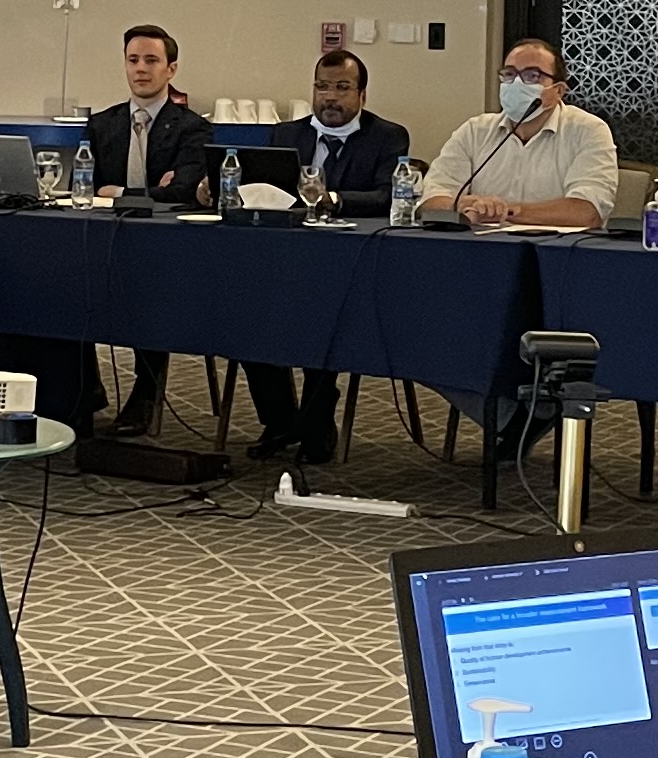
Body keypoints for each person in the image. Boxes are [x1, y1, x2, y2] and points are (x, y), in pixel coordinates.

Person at [245, 47, 411, 468]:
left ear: (362, 95)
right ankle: (280, 421)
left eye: (342, 88)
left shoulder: (387, 136)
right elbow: (267, 193)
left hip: (350, 269)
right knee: (244, 321)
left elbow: (388, 195)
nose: (330, 98)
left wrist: (334, 199)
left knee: (324, 326)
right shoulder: (286, 136)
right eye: (322, 87)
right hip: (284, 265)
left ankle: (317, 426)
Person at [80, 26, 223, 432]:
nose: (140, 69)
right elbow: (87, 186)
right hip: (107, 236)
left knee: (152, 292)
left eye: (151, 61)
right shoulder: (102, 124)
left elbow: (182, 193)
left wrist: (121, 191)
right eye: (133, 60)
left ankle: (146, 394)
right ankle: (84, 391)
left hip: (167, 245)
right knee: (68, 286)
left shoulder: (192, 127)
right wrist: (148, 190)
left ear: (170, 69)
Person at [421, 42, 619, 229]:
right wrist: (461, 205)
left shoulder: (588, 131)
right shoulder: (474, 131)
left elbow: (587, 212)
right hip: (478, 250)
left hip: (557, 254)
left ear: (558, 90)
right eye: (509, 74)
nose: (516, 83)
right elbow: (430, 200)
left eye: (532, 75)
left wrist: (504, 211)